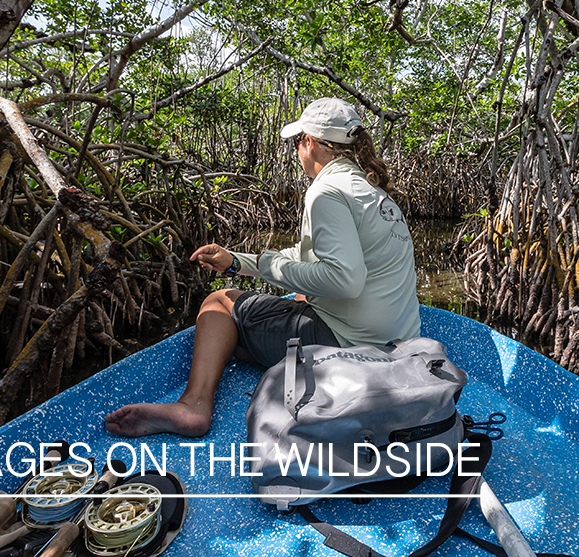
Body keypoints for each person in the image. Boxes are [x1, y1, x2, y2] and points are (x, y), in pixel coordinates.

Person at [105, 97, 420, 438]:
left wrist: (266, 266)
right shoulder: (370, 189)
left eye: (298, 143)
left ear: (309, 143)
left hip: (351, 347)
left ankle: (192, 407)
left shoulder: (326, 192)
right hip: (397, 345)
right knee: (294, 299)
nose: (298, 152)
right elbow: (308, 256)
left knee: (220, 301)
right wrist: (238, 261)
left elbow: (344, 281)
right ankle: (251, 349)